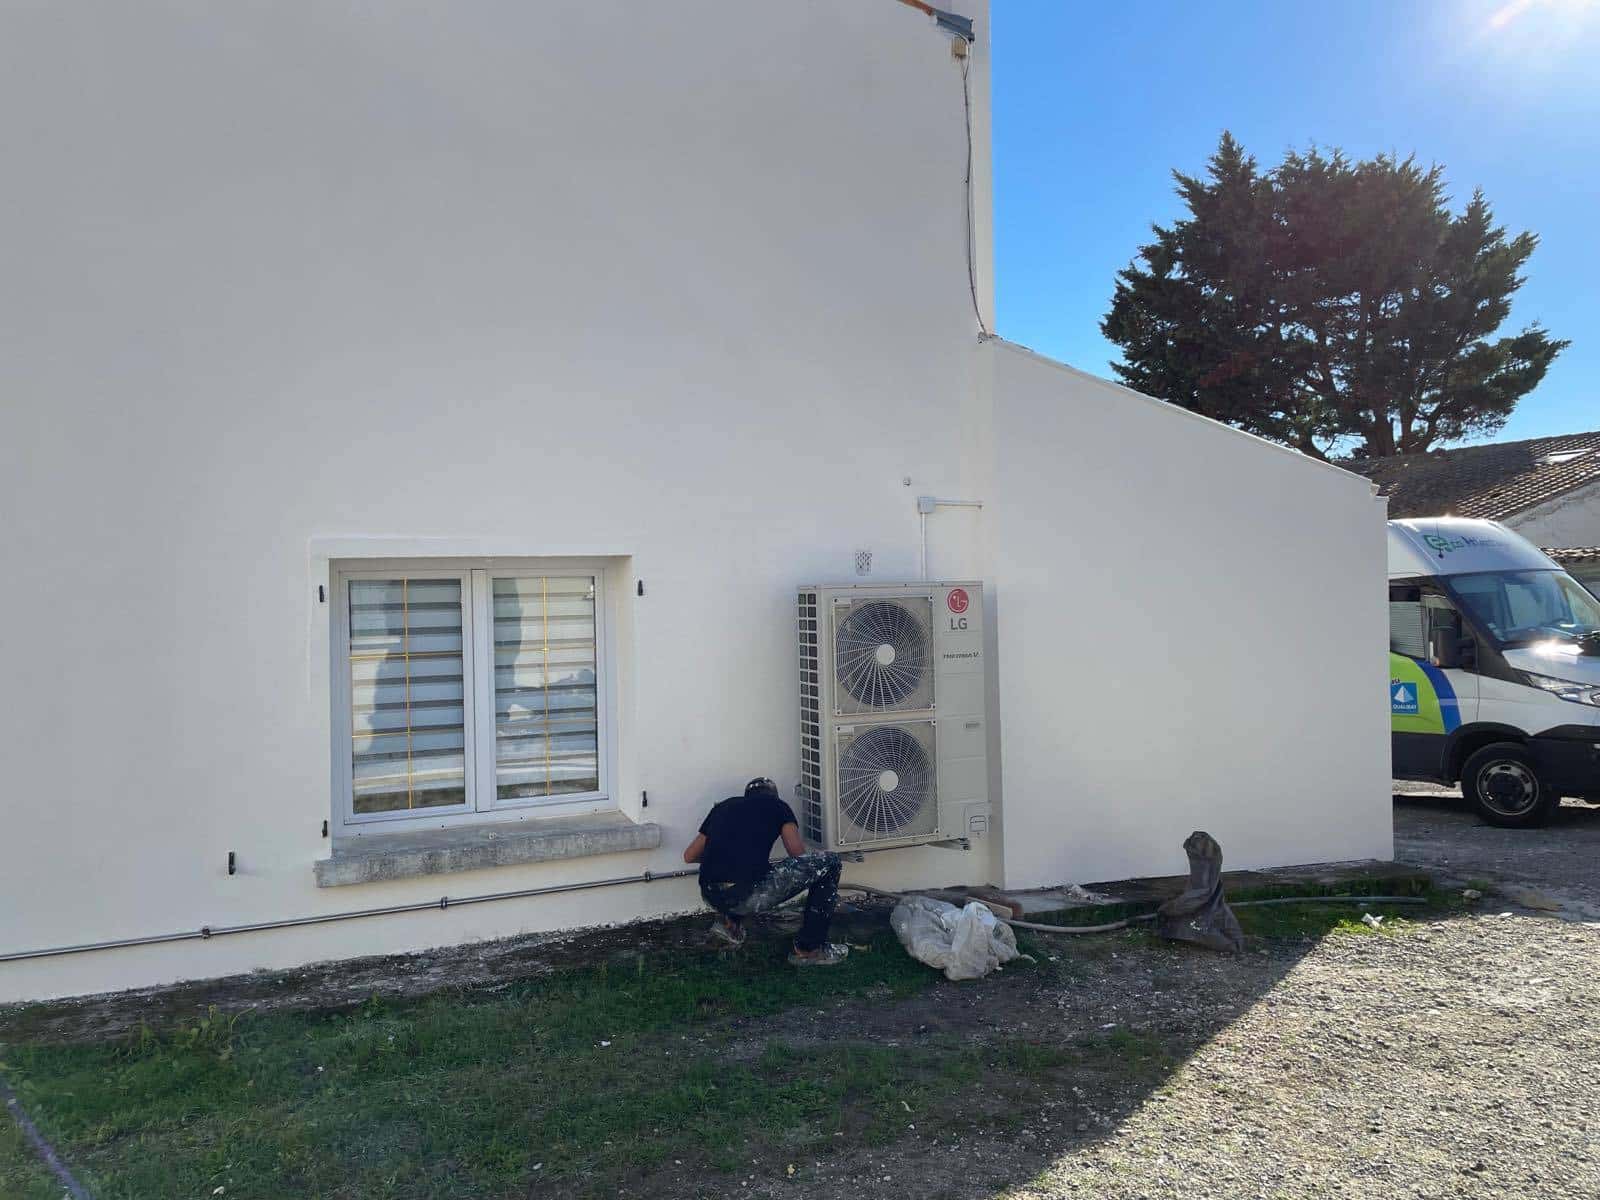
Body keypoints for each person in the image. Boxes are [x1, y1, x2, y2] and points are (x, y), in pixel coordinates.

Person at [683, 778, 848, 966]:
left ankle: (729, 925)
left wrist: (727, 860)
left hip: (710, 894)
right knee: (831, 862)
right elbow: (799, 857)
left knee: (747, 874)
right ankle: (809, 949)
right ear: (773, 796)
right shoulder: (778, 806)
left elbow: (689, 856)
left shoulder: (721, 808)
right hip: (744, 895)